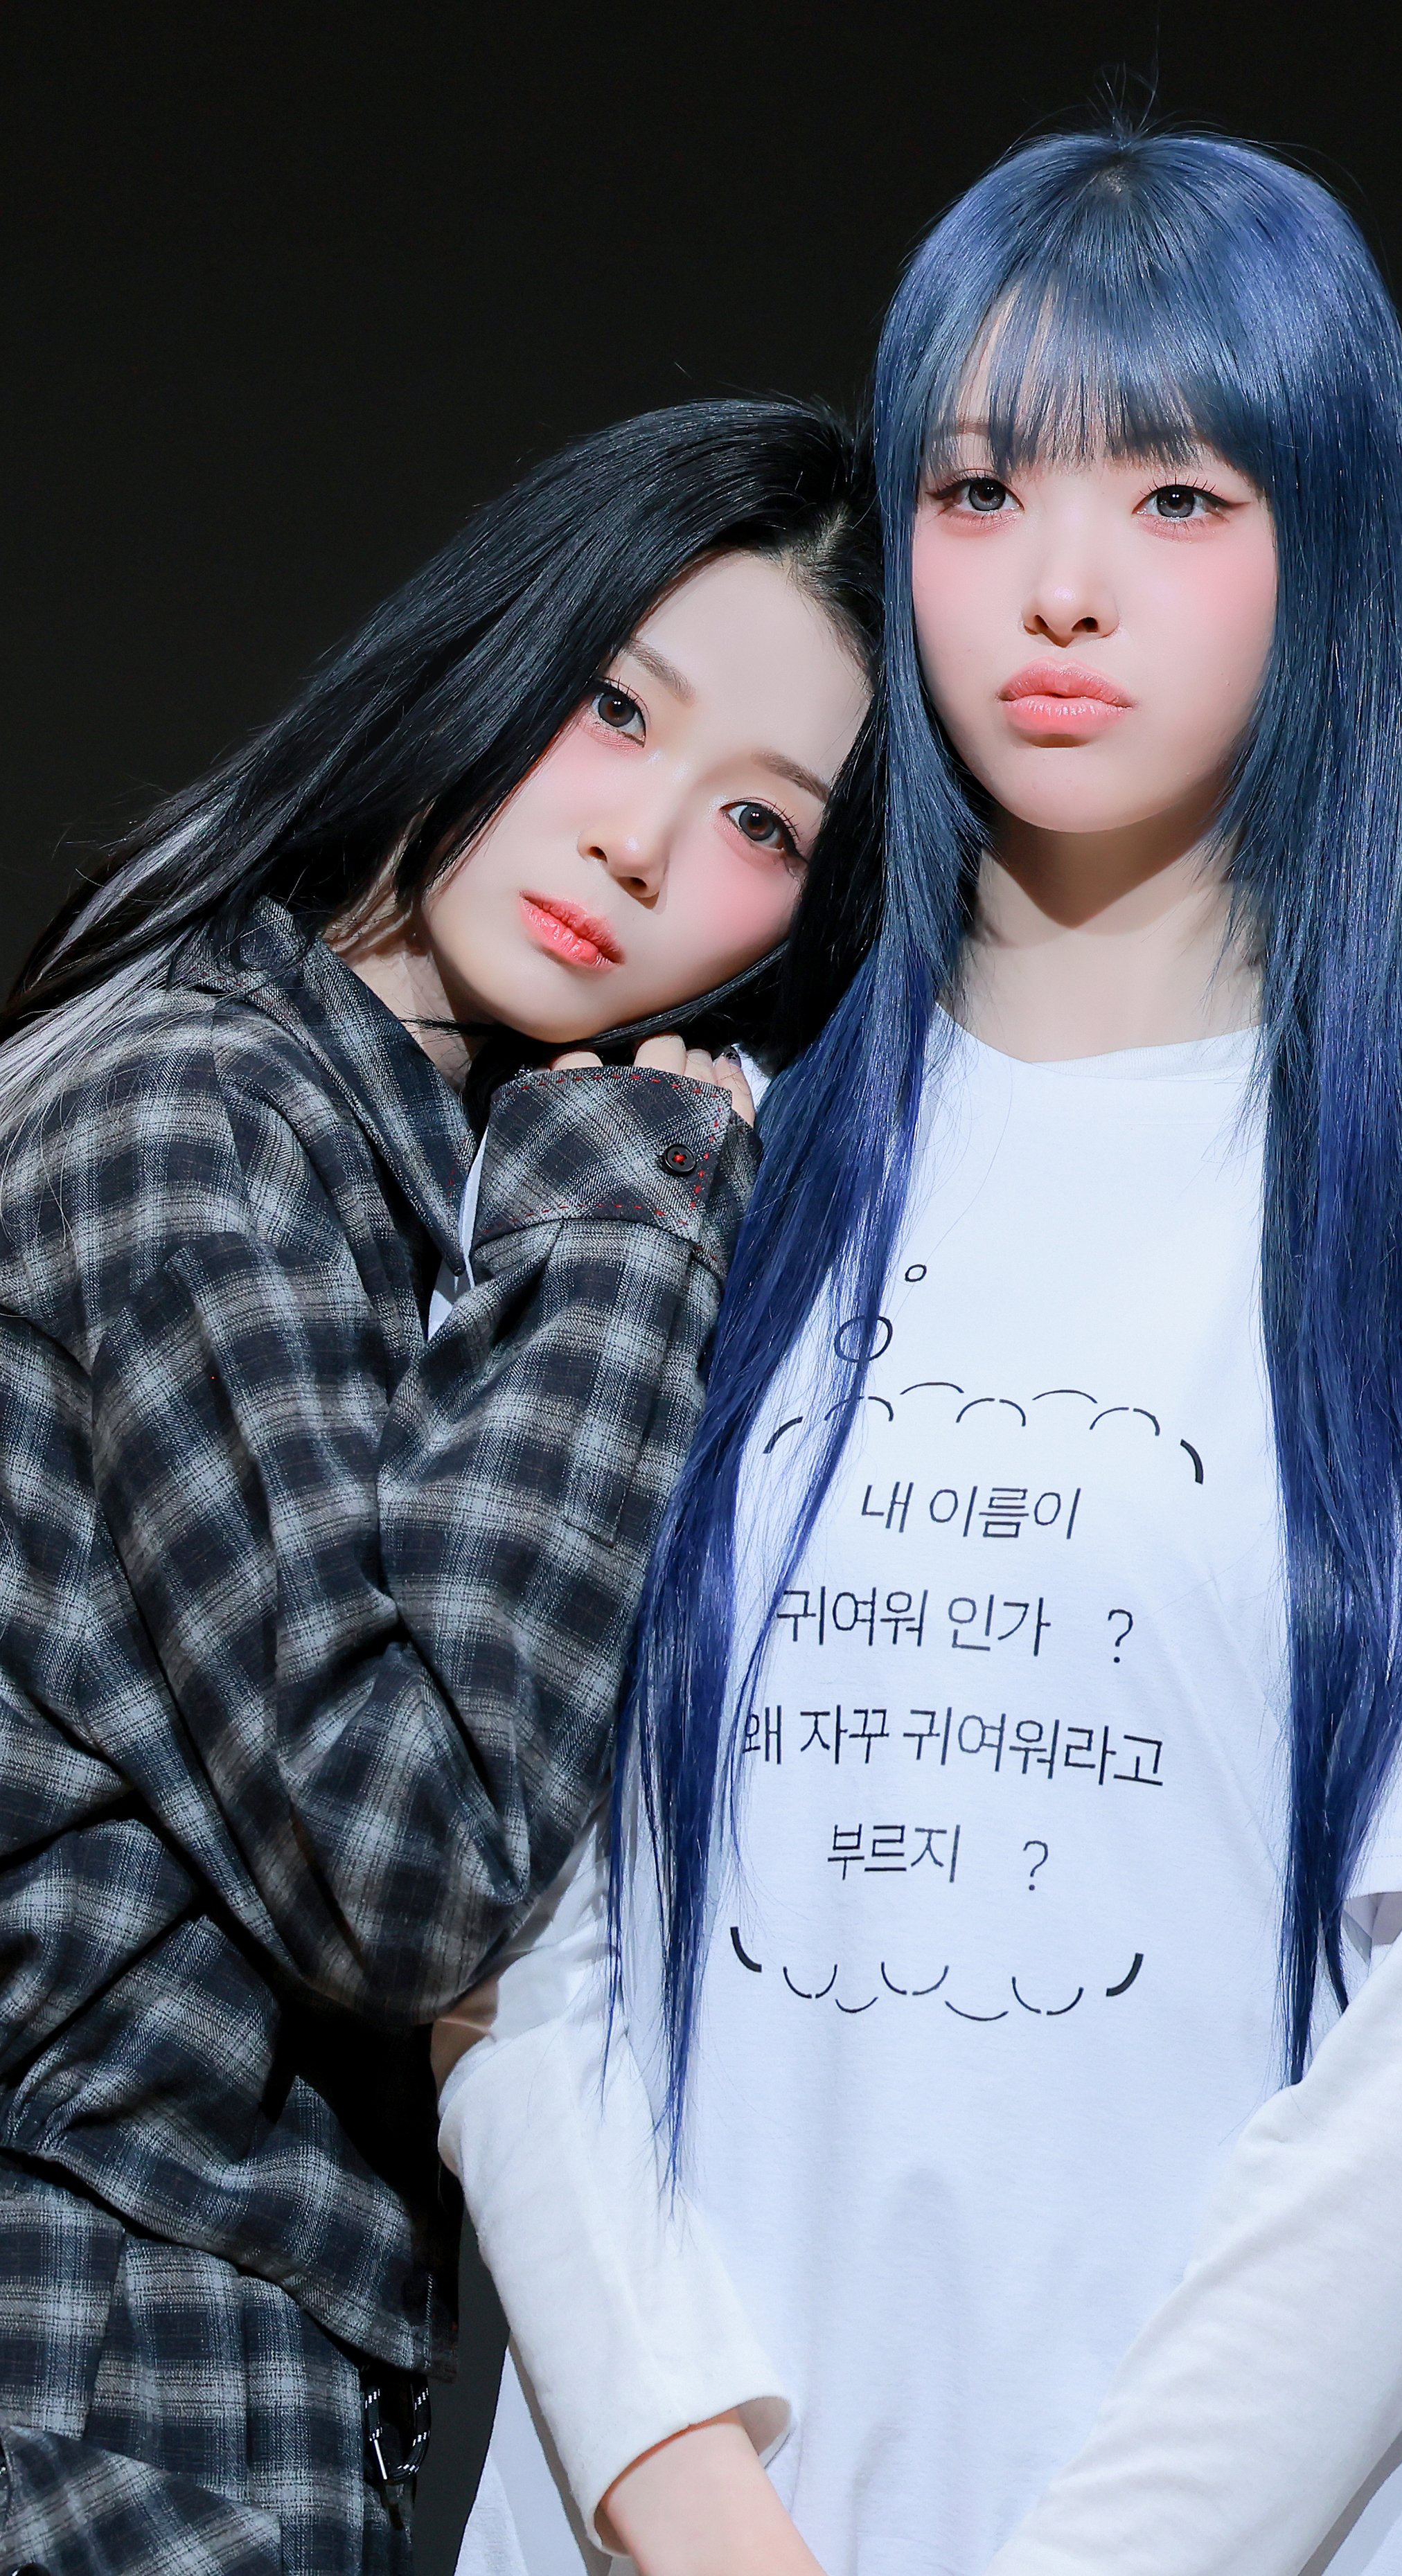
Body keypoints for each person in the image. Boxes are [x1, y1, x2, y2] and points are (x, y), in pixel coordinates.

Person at [438, 131, 1402, 2576]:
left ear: (1331, 546)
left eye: (1179, 496)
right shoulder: (662, 1180)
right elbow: (505, 1918)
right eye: (980, 486)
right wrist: (691, 2502)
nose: (1058, 583)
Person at [0, 397, 876, 2576]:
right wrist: (626, 1229)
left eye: (761, 822)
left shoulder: (369, 1150)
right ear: (496, 643)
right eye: (616, 708)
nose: (642, 847)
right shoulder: (200, 1114)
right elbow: (406, 1859)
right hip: (101, 2389)